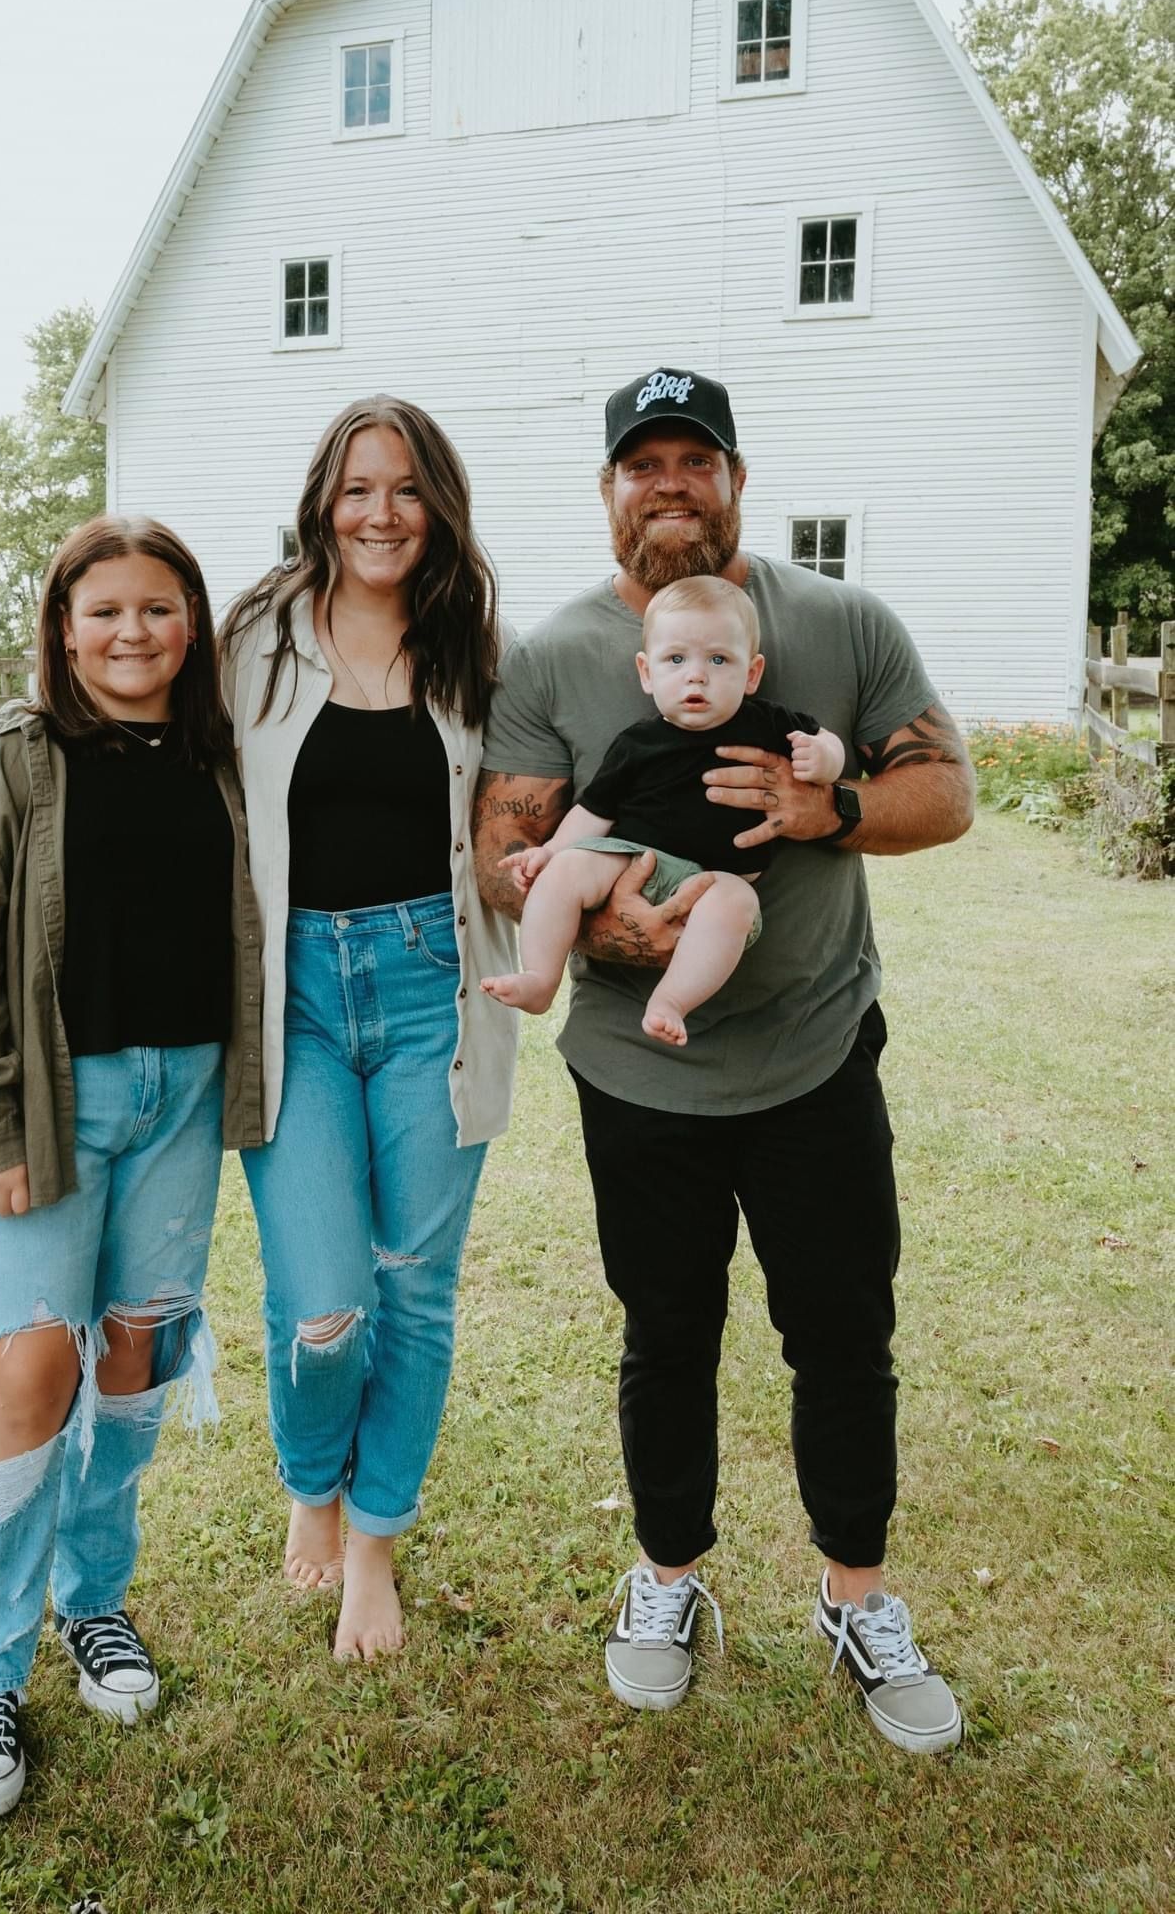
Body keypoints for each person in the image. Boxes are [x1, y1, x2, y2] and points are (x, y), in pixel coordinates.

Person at [473, 367, 976, 1754]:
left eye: (697, 459)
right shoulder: (556, 656)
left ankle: (856, 1598)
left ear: (736, 481)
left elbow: (946, 792)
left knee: (839, 1334)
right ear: (609, 494)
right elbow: (505, 840)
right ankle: (667, 1582)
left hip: (815, 1058)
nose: (671, 483)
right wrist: (603, 916)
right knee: (665, 1334)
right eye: (645, 464)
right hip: (640, 1085)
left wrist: (835, 806)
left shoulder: (837, 623)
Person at [0, 516, 263, 1818]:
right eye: (103, 609)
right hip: (55, 1107)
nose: (132, 632)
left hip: (183, 1096)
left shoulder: (222, 760)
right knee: (28, 1364)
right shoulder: (13, 762)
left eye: (159, 608)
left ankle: (93, 1600)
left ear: (194, 624)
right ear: (64, 626)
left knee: (133, 1352)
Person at [221, 396, 518, 1662]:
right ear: (322, 501)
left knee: (415, 1287)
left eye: (404, 488)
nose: (381, 512)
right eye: (358, 487)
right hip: (289, 993)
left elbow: (525, 819)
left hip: (427, 986)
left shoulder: (472, 652)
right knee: (323, 1301)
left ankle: (374, 1539)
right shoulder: (253, 640)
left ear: (435, 504)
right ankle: (311, 1477)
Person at [481, 574, 844, 1042]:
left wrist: (826, 759)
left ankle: (671, 1000)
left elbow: (826, 741)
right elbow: (593, 813)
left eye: (718, 659)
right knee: (568, 868)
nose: (696, 675)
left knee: (736, 905)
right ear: (646, 672)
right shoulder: (637, 743)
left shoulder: (771, 724)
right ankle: (540, 977)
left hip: (716, 877)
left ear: (751, 674)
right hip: (633, 858)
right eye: (675, 659)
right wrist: (548, 854)